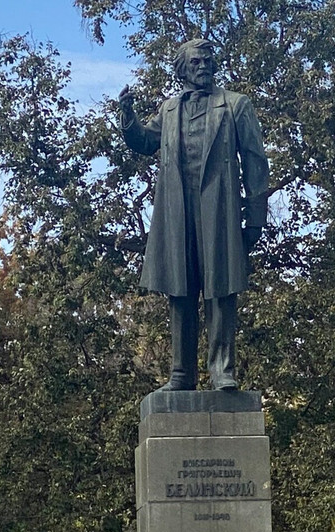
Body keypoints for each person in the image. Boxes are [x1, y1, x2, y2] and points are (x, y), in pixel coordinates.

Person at [119, 38, 270, 392]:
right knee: (180, 292)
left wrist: (256, 216)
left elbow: (254, 161)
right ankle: (181, 374)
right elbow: (144, 141)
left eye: (208, 60)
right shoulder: (170, 110)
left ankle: (222, 372)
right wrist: (128, 117)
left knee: (221, 291)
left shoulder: (236, 106)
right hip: (178, 212)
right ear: (182, 68)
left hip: (219, 210)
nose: (203, 66)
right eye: (196, 61)